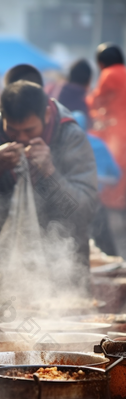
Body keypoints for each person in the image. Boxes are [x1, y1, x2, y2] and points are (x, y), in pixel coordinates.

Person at [0, 80, 97, 271]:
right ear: (2, 117)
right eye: (12, 130)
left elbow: (82, 213)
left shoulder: (70, 137)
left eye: (29, 130)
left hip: (60, 266)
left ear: (46, 115)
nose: (21, 138)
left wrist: (49, 173)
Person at [86, 43, 126, 258]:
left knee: (114, 191)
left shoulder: (109, 74)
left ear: (101, 63)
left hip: (118, 141)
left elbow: (95, 102)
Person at [72, 110, 120, 255]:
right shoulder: (64, 146)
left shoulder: (98, 145)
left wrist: (94, 178)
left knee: (105, 250)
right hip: (71, 204)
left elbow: (115, 177)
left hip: (95, 204)